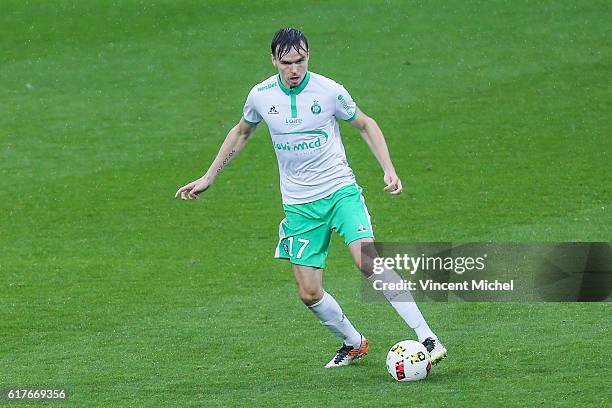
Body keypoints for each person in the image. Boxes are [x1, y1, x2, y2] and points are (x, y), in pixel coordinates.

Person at [175, 27, 447, 368]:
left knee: (367, 260)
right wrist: (209, 175)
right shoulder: (261, 96)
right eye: (286, 62)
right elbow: (242, 131)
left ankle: (427, 337)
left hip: (339, 192)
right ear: (273, 60)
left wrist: (388, 168)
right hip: (300, 207)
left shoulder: (329, 91)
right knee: (309, 293)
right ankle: (354, 342)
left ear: (308, 57)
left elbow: (365, 124)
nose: (294, 69)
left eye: (300, 61)